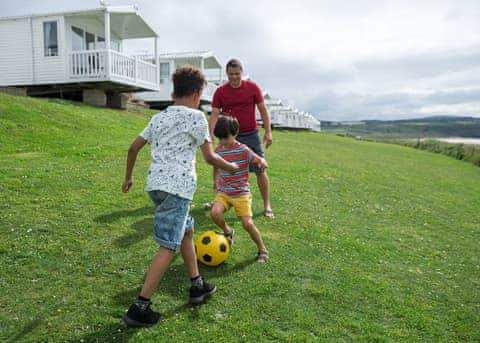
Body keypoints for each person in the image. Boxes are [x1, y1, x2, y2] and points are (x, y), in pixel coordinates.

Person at [121, 66, 238, 328]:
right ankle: (140, 307)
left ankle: (197, 286)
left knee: (186, 230)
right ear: (197, 94)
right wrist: (231, 167)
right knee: (168, 245)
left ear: (174, 91)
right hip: (178, 188)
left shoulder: (159, 117)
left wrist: (128, 177)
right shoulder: (197, 117)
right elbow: (209, 157)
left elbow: (133, 147)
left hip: (156, 187)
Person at [209, 58, 275, 218]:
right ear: (227, 73)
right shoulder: (220, 91)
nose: (234, 77)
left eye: (237, 74)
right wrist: (210, 134)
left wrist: (268, 131)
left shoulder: (252, 88)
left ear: (242, 73)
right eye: (231, 74)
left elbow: (263, 109)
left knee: (260, 169)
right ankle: (219, 200)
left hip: (250, 133)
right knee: (219, 167)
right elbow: (215, 114)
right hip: (228, 136)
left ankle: (267, 205)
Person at [210, 115, 269, 263]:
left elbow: (257, 159)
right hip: (224, 192)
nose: (223, 142)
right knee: (215, 213)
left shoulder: (243, 150)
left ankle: (262, 249)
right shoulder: (218, 150)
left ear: (235, 134)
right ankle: (228, 231)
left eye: (225, 138)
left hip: (241, 193)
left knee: (248, 224)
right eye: (220, 138)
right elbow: (216, 167)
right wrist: (215, 181)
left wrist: (262, 162)